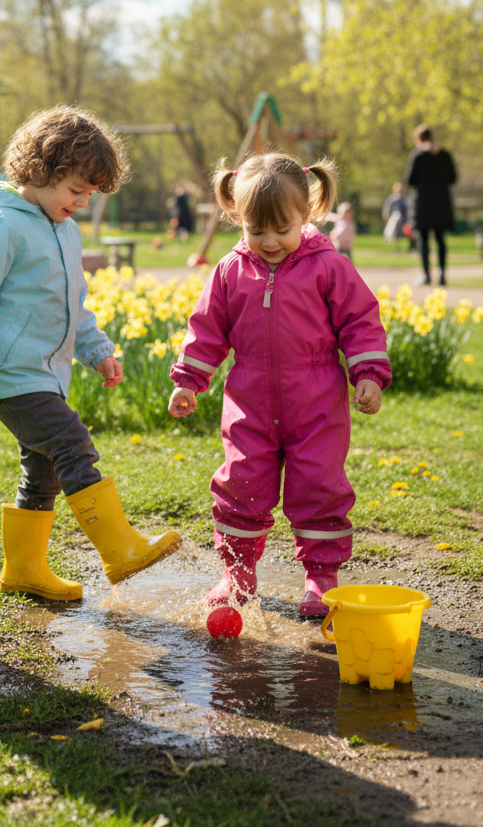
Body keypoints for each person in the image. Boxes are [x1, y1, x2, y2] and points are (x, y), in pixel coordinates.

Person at [0, 106, 181, 601]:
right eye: (75, 189)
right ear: (38, 170)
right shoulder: (2, 224)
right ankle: (119, 549)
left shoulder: (64, 229)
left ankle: (24, 570)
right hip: (6, 372)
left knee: (44, 471)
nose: (82, 201)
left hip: (43, 374)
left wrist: (97, 349)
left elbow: (72, 302)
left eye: (90, 193)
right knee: (72, 443)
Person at [167, 153, 391, 617]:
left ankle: (321, 577)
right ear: (239, 219)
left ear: (306, 215)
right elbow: (207, 328)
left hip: (317, 403)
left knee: (319, 486)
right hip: (249, 401)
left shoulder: (328, 267)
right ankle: (237, 573)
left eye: (281, 230)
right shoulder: (231, 270)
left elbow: (360, 322)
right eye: (256, 230)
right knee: (240, 484)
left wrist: (367, 373)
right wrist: (189, 379)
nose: (268, 241)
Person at [404, 125, 457, 286]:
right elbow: (453, 178)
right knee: (441, 239)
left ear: (418, 139)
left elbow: (410, 180)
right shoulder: (444, 155)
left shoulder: (418, 156)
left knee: (424, 239)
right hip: (441, 204)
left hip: (423, 205)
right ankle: (442, 275)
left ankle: (426, 275)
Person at [382, 182, 409, 246]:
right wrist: (386, 215)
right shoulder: (392, 198)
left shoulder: (406, 199)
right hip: (395, 218)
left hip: (405, 218)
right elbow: (387, 207)